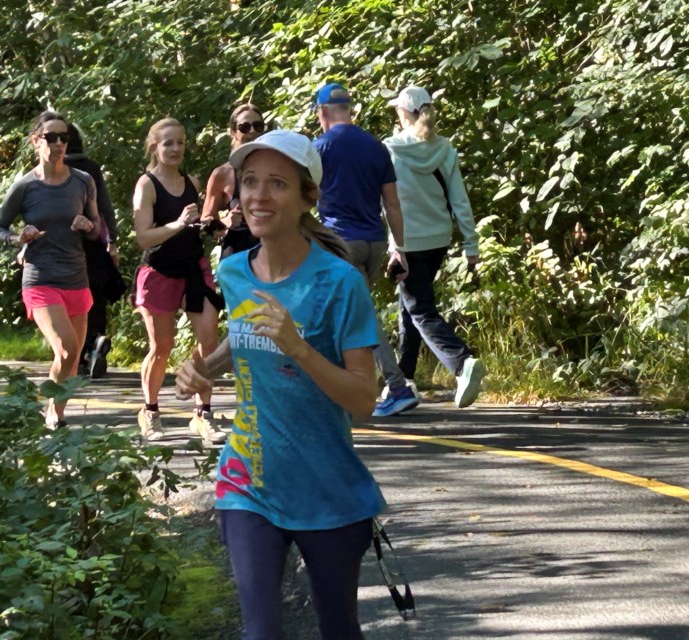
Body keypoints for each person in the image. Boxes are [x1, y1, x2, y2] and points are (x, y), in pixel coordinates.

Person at [174, 129, 385, 640]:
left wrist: (300, 348)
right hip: (248, 478)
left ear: (307, 196)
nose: (258, 196)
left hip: (327, 488)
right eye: (249, 182)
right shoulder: (233, 271)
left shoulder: (340, 283)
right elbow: (247, 337)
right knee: (260, 632)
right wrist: (205, 367)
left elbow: (363, 400)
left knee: (338, 628)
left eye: (277, 184)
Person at [311, 81, 417, 417]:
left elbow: (302, 198)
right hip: (372, 242)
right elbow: (393, 203)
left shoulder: (320, 148)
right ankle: (341, 388)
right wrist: (398, 248)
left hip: (339, 242)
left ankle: (396, 384)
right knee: (344, 316)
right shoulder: (376, 147)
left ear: (321, 112)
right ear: (350, 110)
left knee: (359, 315)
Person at [0, 110, 102, 428]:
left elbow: (98, 229)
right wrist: (17, 237)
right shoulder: (25, 186)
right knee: (66, 348)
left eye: (63, 137)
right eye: (50, 137)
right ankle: (51, 410)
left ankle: (58, 412)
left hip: (76, 276)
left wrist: (88, 224)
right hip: (40, 277)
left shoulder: (83, 181)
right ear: (35, 141)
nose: (58, 143)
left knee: (72, 356)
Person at [382, 86, 487, 407]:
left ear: (402, 114)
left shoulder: (389, 149)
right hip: (439, 239)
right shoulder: (445, 148)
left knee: (420, 308)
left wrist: (393, 246)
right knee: (410, 305)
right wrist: (470, 243)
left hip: (407, 241)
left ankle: (461, 362)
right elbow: (459, 199)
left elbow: (386, 202)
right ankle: (405, 380)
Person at [131, 117, 226, 444]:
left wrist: (219, 224)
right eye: (167, 143)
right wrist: (178, 223)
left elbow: (202, 225)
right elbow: (143, 237)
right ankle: (150, 411)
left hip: (193, 267)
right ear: (154, 146)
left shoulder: (194, 182)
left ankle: (203, 414)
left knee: (208, 341)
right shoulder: (146, 185)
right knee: (162, 346)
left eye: (180, 143)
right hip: (159, 270)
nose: (174, 149)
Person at [64, 123, 126, 379]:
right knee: (94, 295)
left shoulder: (49, 170)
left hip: (61, 244)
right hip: (92, 242)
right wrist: (112, 239)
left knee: (68, 297)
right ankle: (95, 342)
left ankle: (77, 353)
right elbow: (104, 206)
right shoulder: (90, 168)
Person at [201, 103, 267, 258]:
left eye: (258, 126)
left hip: (274, 251)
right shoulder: (223, 174)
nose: (252, 131)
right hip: (238, 256)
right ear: (233, 132)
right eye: (244, 127)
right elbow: (206, 219)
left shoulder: (277, 167)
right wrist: (224, 222)